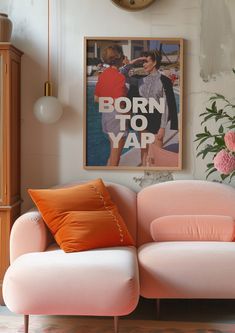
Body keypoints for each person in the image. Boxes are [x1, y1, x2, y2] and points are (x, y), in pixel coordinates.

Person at [122, 50, 178, 166]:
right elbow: (122, 75)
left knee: (157, 156)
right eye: (143, 62)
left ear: (155, 62)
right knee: (144, 152)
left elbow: (167, 106)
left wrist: (162, 128)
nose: (143, 64)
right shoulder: (140, 80)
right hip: (142, 120)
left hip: (157, 122)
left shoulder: (165, 81)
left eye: (146, 61)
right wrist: (134, 62)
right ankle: (144, 175)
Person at [94, 45, 128, 166]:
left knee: (112, 152)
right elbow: (121, 105)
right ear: (119, 58)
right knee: (115, 158)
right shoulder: (120, 77)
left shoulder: (103, 75)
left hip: (106, 118)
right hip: (117, 120)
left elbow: (96, 98)